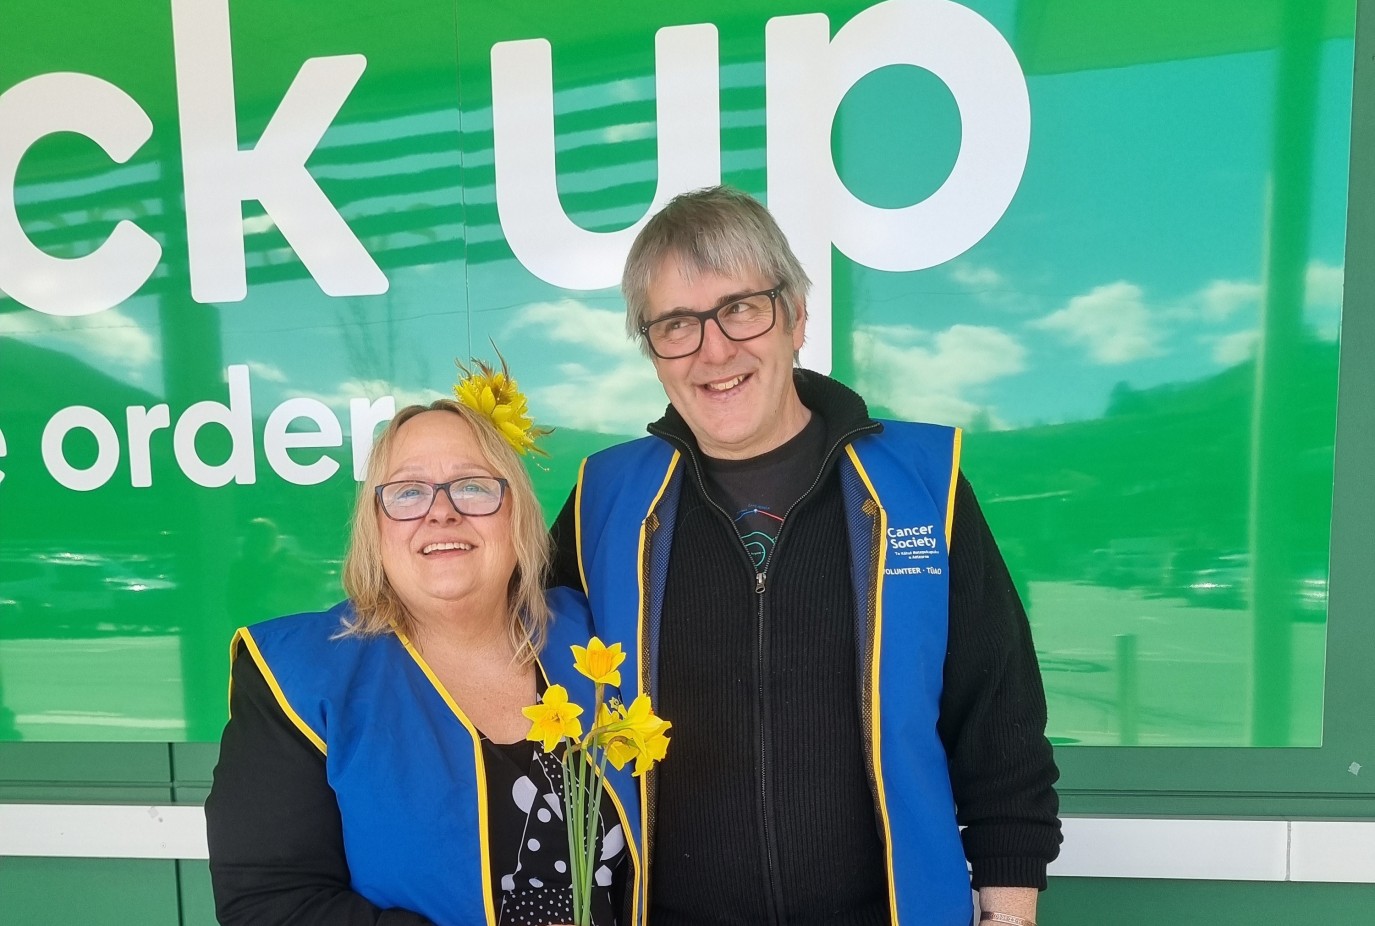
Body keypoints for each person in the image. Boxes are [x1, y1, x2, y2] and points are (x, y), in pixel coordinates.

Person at [550, 186, 1062, 926]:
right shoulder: (604, 499)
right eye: (675, 325)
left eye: (740, 308)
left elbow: (999, 718)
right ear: (652, 351)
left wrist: (1009, 913)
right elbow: (501, 664)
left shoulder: (921, 486)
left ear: (795, 317)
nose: (713, 348)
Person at [206, 398, 636, 926]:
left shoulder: (602, 641)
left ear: (517, 513)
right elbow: (271, 905)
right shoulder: (298, 678)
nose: (441, 511)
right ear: (376, 527)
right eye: (408, 492)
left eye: (473, 486)